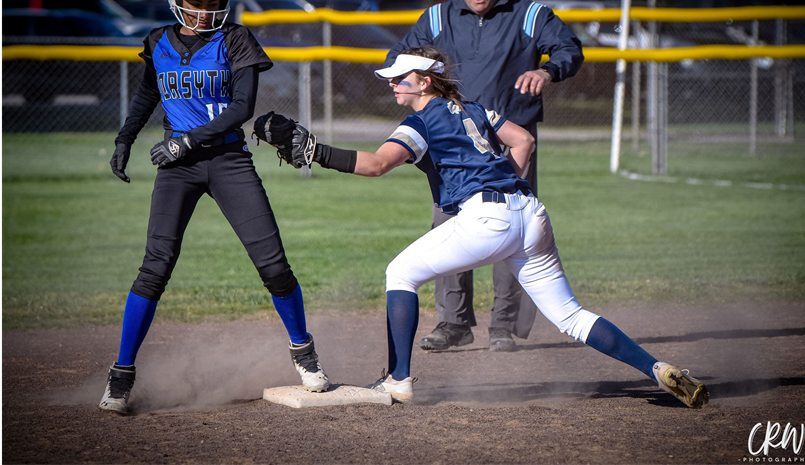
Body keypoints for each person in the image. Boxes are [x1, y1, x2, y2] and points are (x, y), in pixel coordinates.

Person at [259, 47, 709, 409]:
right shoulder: (473, 108)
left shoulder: (422, 119)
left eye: (401, 77)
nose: (393, 83)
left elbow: (377, 165)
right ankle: (657, 368)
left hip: (488, 217)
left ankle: (397, 381)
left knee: (400, 274)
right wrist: (504, 188)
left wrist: (316, 152)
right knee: (571, 317)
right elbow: (524, 139)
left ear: (426, 81)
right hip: (531, 213)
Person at [99, 0, 328, 415]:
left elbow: (242, 106)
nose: (205, 12)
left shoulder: (236, 39)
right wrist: (124, 138)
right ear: (176, 0)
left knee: (273, 264)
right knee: (155, 267)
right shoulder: (158, 40)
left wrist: (186, 139)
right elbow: (148, 94)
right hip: (178, 169)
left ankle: (304, 351)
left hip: (227, 160)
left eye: (212, 3)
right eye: (197, 3)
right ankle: (121, 374)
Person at [386, 0, 584, 352]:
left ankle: (503, 326)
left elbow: (568, 49)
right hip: (454, 141)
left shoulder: (529, 15)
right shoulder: (437, 17)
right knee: (448, 227)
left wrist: (546, 71)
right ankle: (453, 322)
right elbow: (400, 57)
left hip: (511, 139)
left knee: (510, 229)